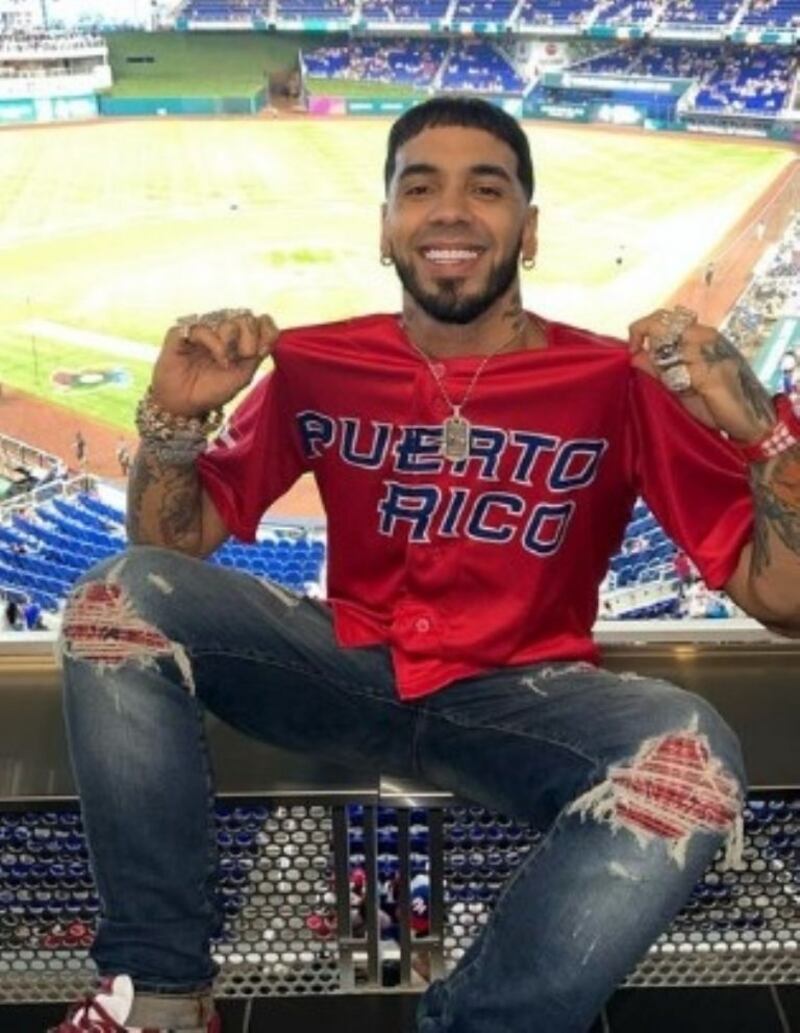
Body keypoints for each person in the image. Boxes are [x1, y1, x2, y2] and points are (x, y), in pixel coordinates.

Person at [56, 98, 800, 1033]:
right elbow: (166, 559)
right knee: (114, 595)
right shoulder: (320, 364)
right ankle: (160, 1000)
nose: (450, 210)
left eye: (485, 189)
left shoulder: (615, 383)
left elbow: (783, 597)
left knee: (691, 753)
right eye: (420, 189)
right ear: (386, 229)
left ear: (529, 231)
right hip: (348, 667)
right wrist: (174, 422)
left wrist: (765, 433)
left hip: (527, 700)